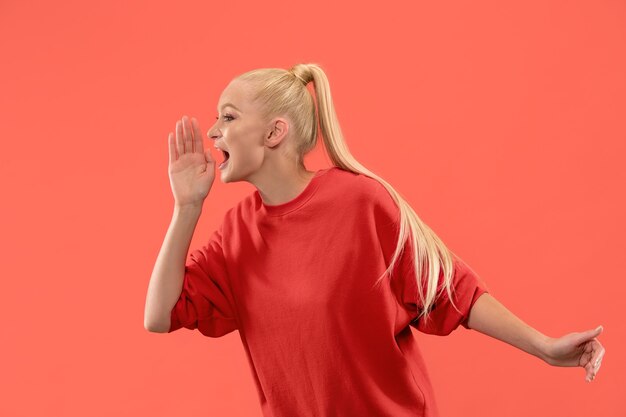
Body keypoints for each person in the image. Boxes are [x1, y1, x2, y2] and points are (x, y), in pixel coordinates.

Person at [143, 63, 606, 417]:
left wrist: (544, 346)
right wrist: (187, 209)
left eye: (228, 116)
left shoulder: (358, 201)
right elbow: (159, 315)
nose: (213, 131)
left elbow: (450, 290)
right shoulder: (236, 233)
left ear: (274, 132)